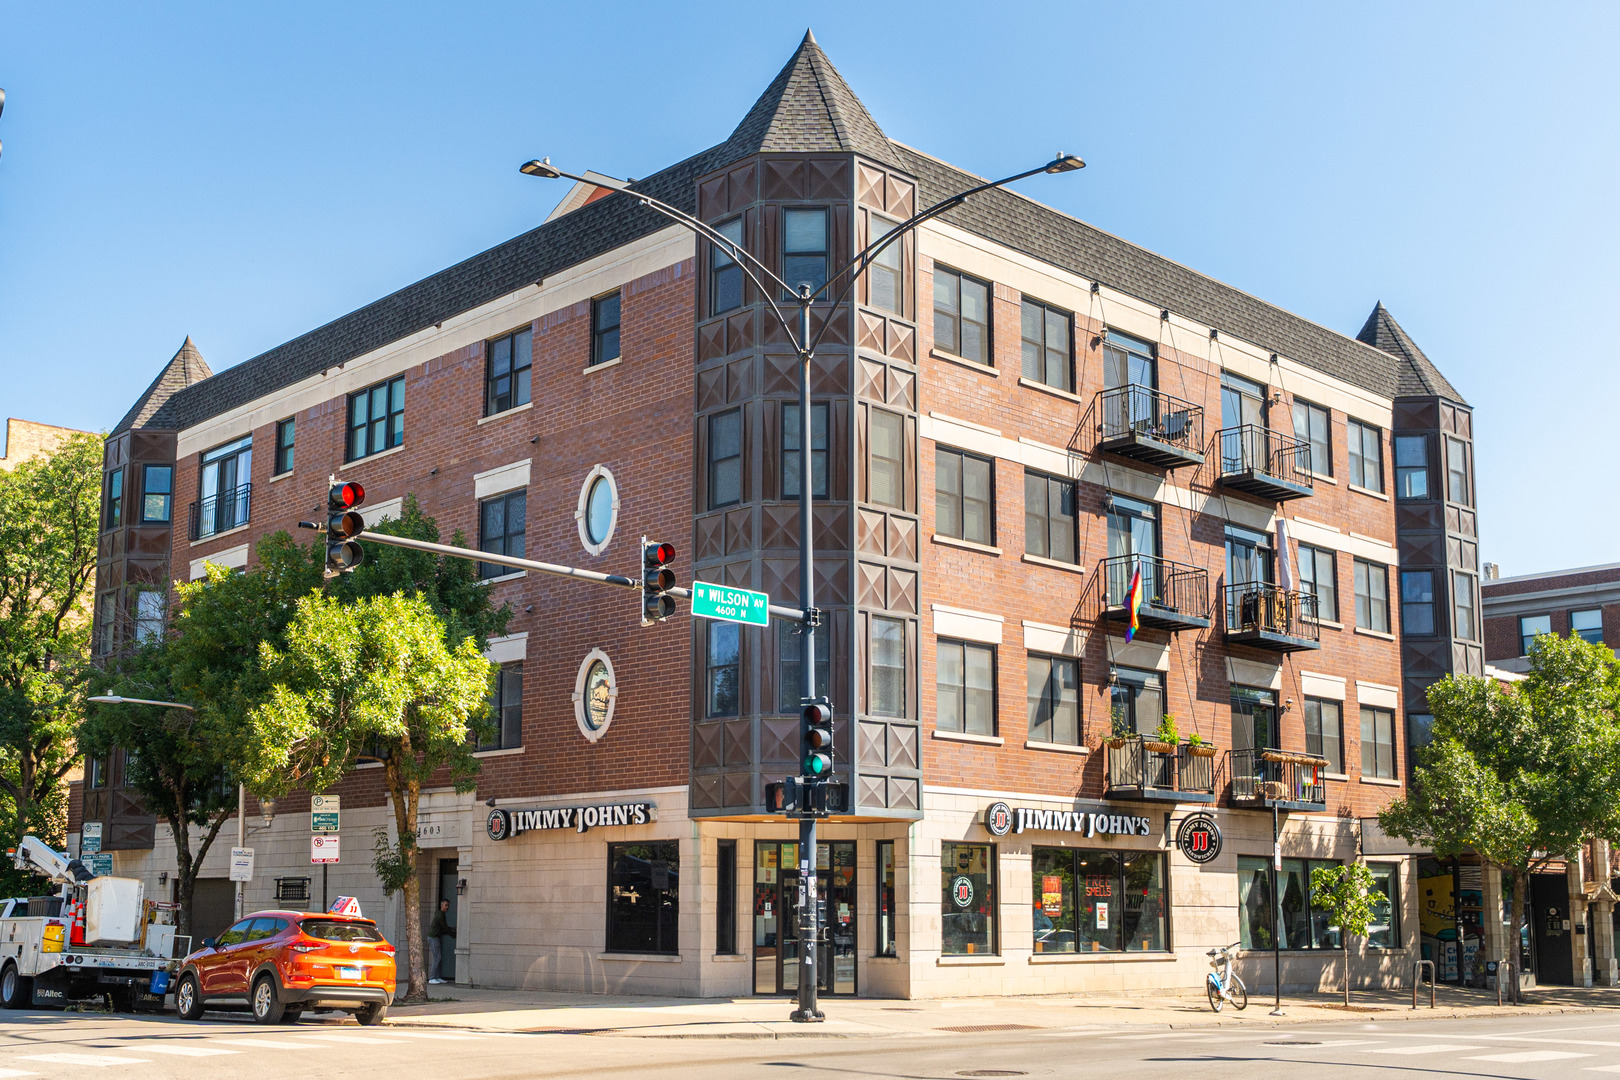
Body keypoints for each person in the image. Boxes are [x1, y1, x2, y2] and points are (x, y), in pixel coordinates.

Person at [428, 898, 455, 984]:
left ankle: (437, 977)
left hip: (435, 937)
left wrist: (452, 930)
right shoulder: (440, 915)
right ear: (442, 905)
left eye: (448, 906)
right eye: (446, 905)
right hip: (433, 938)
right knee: (437, 957)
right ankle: (432, 978)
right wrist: (453, 934)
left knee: (438, 957)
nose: (447, 907)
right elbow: (445, 928)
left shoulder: (441, 914)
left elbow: (444, 928)